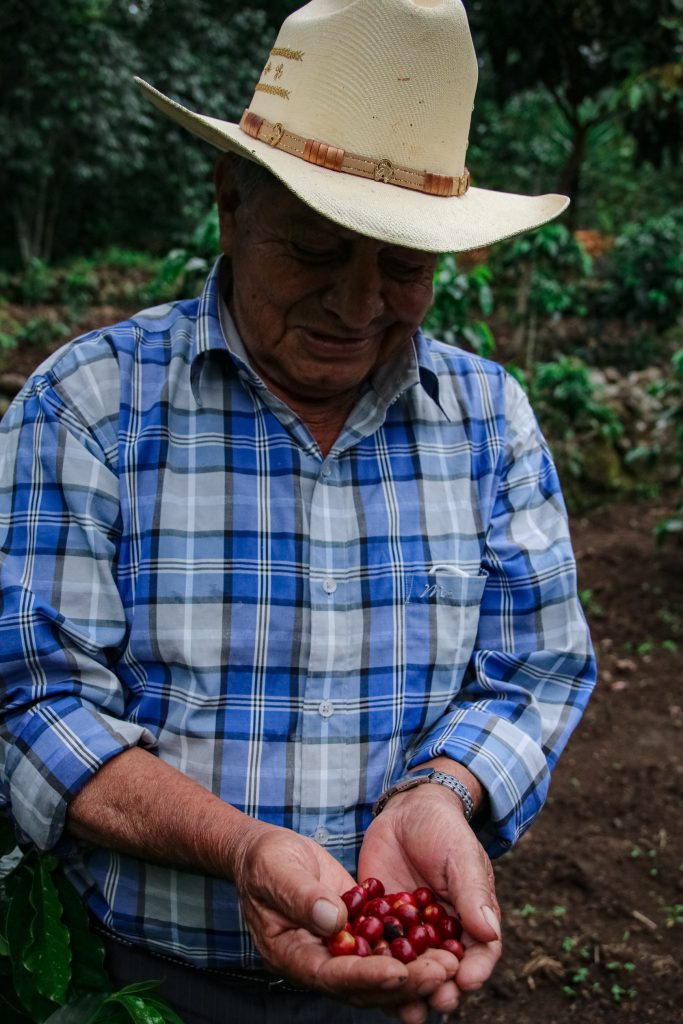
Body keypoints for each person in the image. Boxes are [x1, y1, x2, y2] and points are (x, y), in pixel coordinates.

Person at [0, 1, 596, 1022]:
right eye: (315, 252)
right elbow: (33, 701)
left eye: (402, 267)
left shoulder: (487, 420)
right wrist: (240, 847)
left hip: (393, 975)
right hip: (135, 978)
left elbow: (533, 670)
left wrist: (439, 792)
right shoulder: (88, 408)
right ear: (232, 201)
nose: (358, 304)